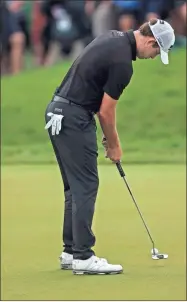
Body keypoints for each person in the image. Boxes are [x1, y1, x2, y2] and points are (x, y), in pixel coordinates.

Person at [44, 18, 175, 275]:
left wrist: (105, 134)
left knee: (74, 187)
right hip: (74, 117)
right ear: (151, 41)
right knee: (86, 186)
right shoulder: (123, 64)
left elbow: (92, 89)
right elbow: (106, 112)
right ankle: (83, 256)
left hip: (57, 111)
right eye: (156, 51)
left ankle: (71, 252)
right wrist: (114, 145)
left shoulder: (111, 37)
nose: (152, 57)